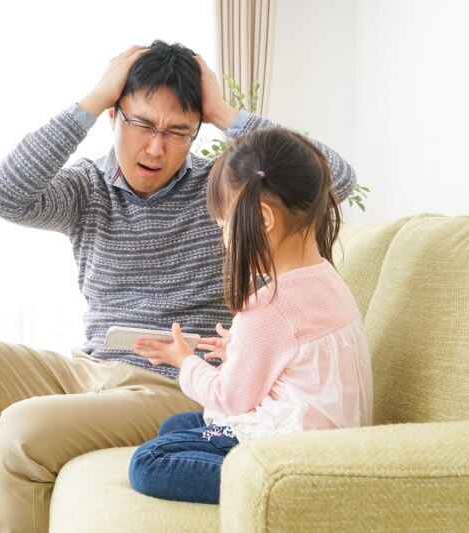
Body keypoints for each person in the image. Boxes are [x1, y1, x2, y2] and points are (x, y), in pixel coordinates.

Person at [0, 40, 357, 532]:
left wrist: (224, 112)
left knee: (21, 430)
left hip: (172, 385)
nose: (157, 148)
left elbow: (338, 179)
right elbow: (4, 194)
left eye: (178, 132)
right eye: (142, 124)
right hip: (90, 369)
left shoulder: (223, 197)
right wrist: (92, 99)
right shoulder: (86, 189)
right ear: (115, 117)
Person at [128, 127, 373, 504]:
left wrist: (184, 362)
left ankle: (269, 488)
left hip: (293, 457)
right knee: (176, 426)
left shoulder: (268, 304)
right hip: (327, 440)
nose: (224, 238)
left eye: (224, 225)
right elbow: (298, 360)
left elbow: (229, 399)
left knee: (150, 461)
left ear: (262, 219)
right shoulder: (326, 278)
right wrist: (239, 351)